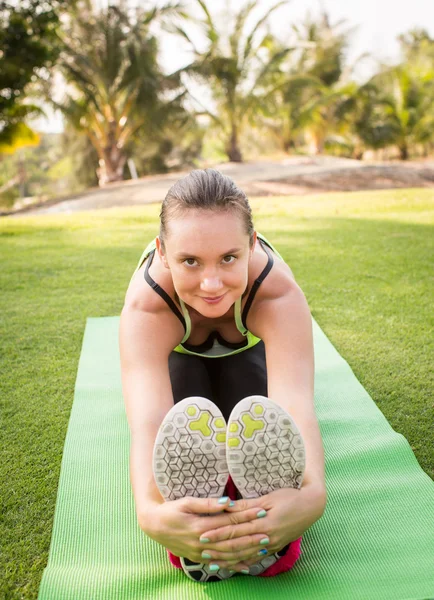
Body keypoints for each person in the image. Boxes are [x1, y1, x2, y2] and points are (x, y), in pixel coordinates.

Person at [119, 168, 327, 579]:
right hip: (181, 360)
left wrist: (312, 496)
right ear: (162, 252)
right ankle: (198, 524)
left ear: (252, 245)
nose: (210, 283)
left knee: (257, 409)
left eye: (229, 258)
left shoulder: (276, 293)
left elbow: (297, 405)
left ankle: (263, 524)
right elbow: (147, 424)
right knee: (183, 416)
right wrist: (151, 513)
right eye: (190, 261)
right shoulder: (149, 306)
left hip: (248, 357)